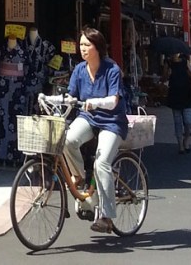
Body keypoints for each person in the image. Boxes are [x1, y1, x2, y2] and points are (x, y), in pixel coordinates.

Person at [63, 27, 128, 235]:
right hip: (88, 118)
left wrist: (95, 102)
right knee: (66, 139)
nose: (83, 49)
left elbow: (113, 100)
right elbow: (70, 96)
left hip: (112, 121)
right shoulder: (79, 70)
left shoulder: (112, 69)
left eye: (87, 45)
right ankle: (79, 175)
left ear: (98, 47)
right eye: (81, 45)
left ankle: (107, 217)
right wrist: (57, 100)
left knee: (102, 163)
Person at [0, 36, 29, 167]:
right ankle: (1, 155)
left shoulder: (24, 50)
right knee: (3, 122)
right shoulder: (1, 50)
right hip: (4, 90)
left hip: (19, 91)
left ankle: (17, 157)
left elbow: (27, 70)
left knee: (18, 122)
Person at [167, 52, 191, 153]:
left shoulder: (185, 62)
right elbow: (165, 77)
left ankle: (186, 140)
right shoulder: (168, 63)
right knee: (177, 122)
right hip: (174, 96)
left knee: (188, 121)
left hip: (187, 95)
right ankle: (180, 145)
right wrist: (167, 72)